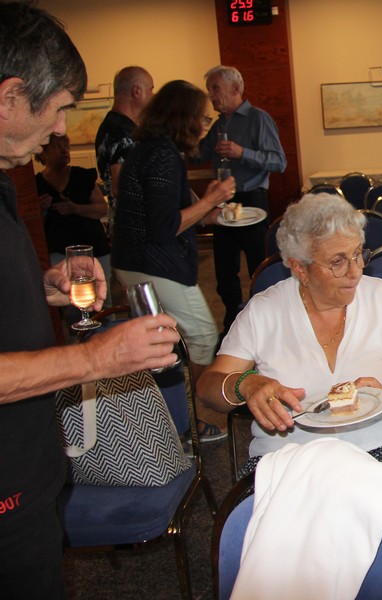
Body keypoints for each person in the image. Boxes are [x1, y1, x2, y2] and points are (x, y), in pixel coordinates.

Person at [0, 4, 179, 598]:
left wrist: (42, 285)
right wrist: (96, 359)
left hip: (28, 474)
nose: (60, 131)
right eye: (58, 110)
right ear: (10, 97)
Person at [196, 193, 382, 486]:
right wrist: (244, 384)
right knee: (293, 504)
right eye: (338, 262)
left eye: (358, 254)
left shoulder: (380, 295)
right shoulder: (264, 311)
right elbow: (207, 389)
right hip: (290, 449)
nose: (355, 272)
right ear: (300, 268)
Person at [112, 80, 235, 441]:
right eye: (202, 118)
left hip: (134, 261)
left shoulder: (149, 149)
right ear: (184, 118)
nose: (204, 126)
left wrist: (206, 216)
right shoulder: (163, 154)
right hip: (153, 263)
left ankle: (172, 425)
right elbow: (164, 227)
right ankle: (195, 419)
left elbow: (163, 214)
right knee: (202, 335)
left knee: (161, 345)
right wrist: (210, 200)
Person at [198, 65, 287, 333]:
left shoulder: (259, 119)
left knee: (258, 266)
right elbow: (198, 154)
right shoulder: (218, 125)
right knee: (224, 271)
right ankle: (233, 325)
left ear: (236, 88)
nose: (211, 95)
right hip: (223, 201)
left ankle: (267, 323)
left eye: (215, 88)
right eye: (209, 90)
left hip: (252, 200)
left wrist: (242, 152)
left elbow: (279, 162)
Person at [35, 133, 112, 304]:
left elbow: (102, 208)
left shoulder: (81, 176)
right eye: (57, 146)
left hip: (94, 249)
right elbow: (32, 225)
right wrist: (41, 210)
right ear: (42, 153)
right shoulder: (35, 184)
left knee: (101, 300)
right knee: (70, 300)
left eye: (66, 146)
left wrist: (75, 209)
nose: (64, 150)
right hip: (58, 252)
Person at [94, 66, 154, 234]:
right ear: (137, 91)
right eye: (151, 89)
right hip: (134, 227)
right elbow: (120, 186)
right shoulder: (120, 130)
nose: (153, 95)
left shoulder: (118, 125)